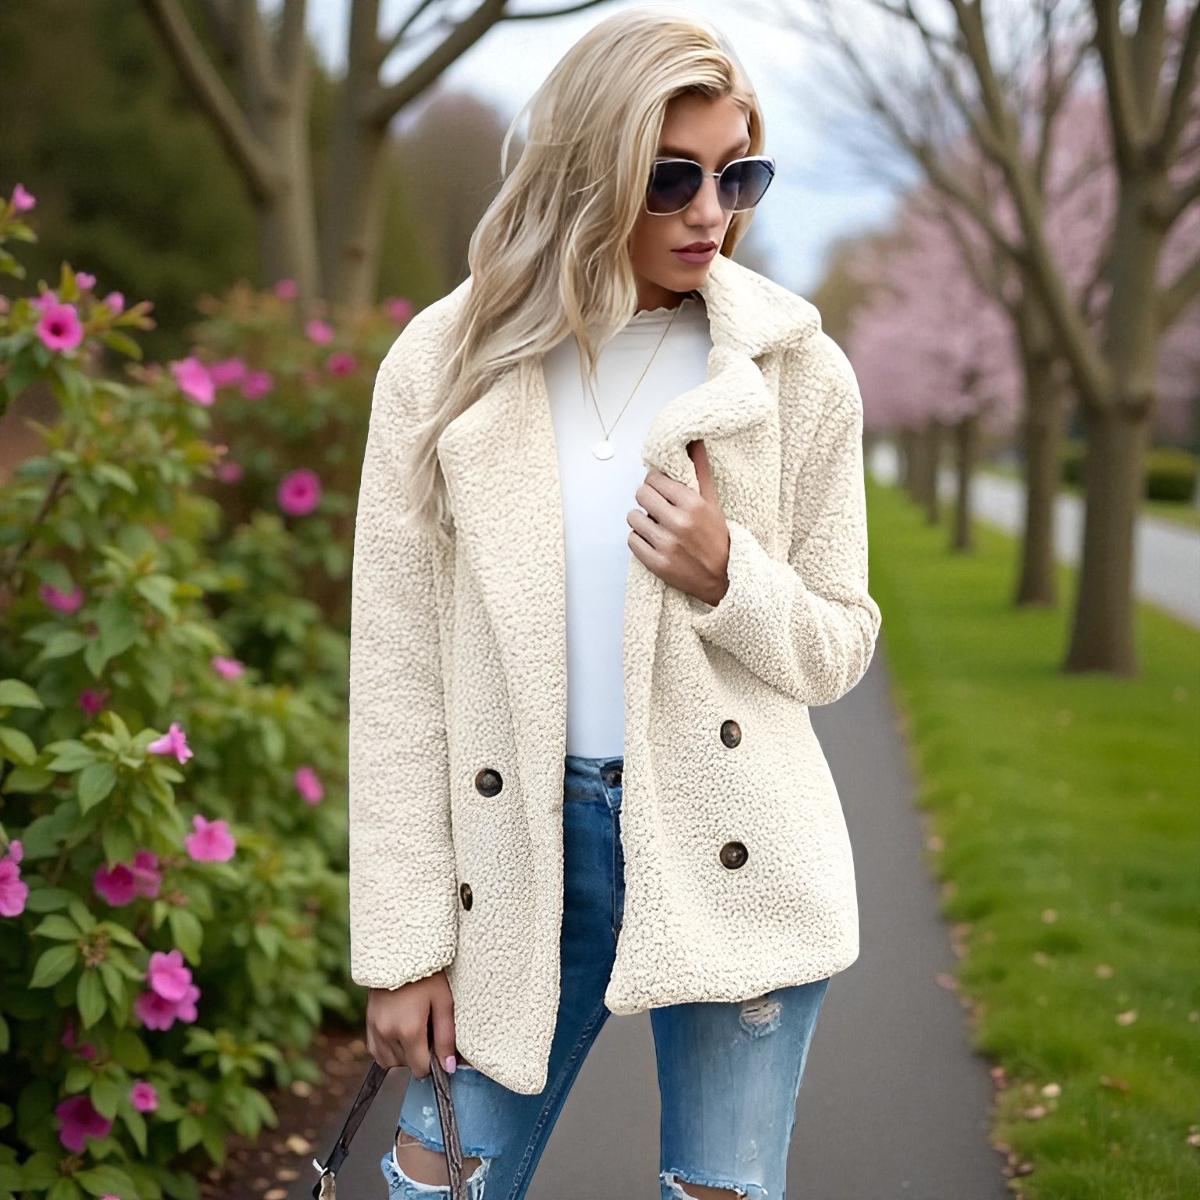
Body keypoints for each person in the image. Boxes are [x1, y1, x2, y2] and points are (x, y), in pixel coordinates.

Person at [347, 6, 883, 1198]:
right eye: (671, 177)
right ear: (588, 171)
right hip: (520, 849)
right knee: (437, 1178)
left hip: (737, 839)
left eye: (738, 174)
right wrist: (403, 948)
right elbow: (396, 676)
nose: (711, 211)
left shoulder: (796, 372)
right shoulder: (442, 365)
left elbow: (842, 641)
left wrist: (731, 576)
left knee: (719, 1191)